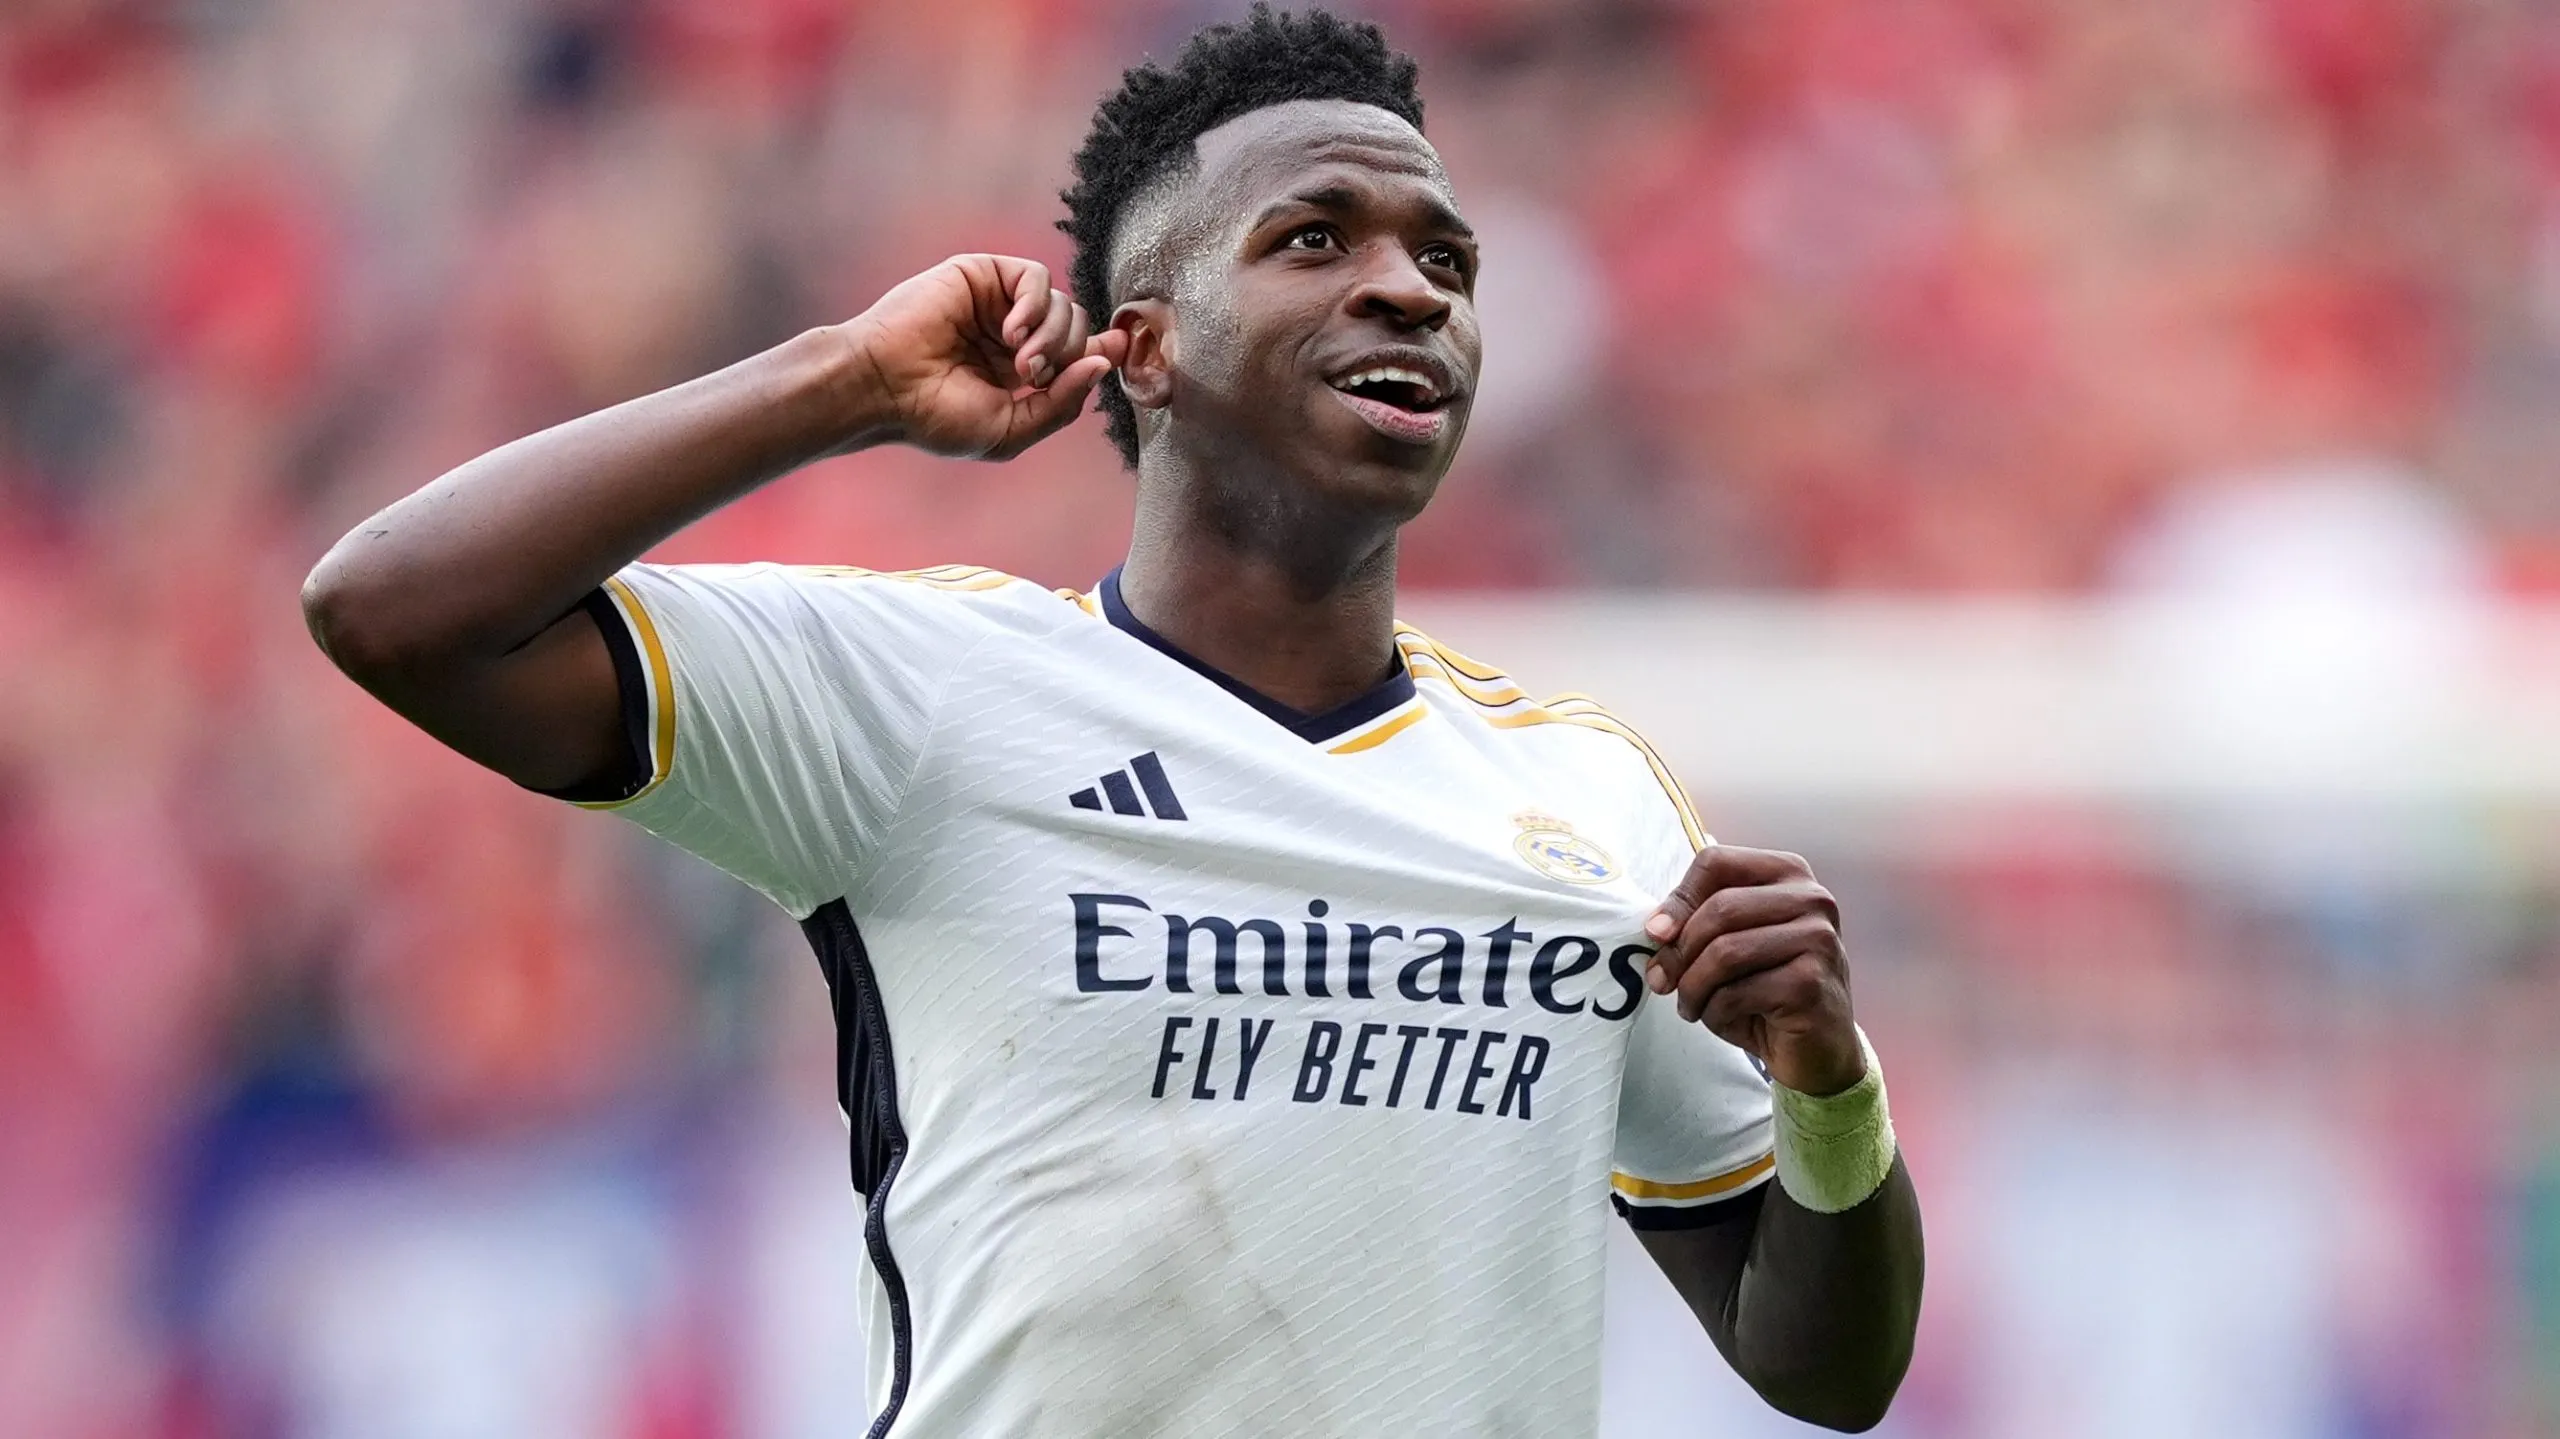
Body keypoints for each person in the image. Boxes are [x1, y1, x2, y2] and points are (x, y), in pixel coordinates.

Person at [302, 7, 1922, 1434]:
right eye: (1316, 240)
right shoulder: (923, 698)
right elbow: (397, 607)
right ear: (1140, 348)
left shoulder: (1590, 794)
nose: (1410, 290)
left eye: (1446, 259)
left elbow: (1828, 1370)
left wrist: (1827, 1080)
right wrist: (840, 381)